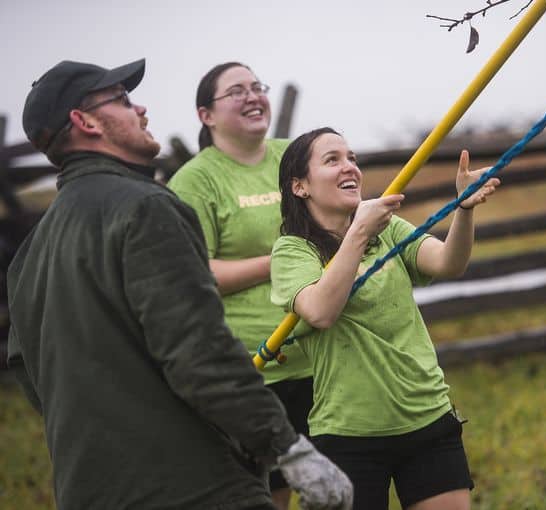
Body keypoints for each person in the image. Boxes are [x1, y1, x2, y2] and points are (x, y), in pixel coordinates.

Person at [6, 60, 352, 510]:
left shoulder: (31, 249)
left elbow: (26, 367)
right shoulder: (146, 209)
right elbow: (198, 348)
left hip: (88, 488)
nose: (142, 110)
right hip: (192, 486)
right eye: (124, 101)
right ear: (85, 121)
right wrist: (287, 447)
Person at [270, 127, 500, 510]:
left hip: (427, 416)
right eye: (332, 160)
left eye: (352, 158)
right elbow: (321, 311)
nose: (350, 168)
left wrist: (464, 209)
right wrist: (358, 230)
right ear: (299, 186)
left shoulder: (388, 230)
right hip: (348, 433)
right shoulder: (292, 251)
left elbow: (448, 262)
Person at [167, 62, 313, 510]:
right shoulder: (194, 181)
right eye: (237, 91)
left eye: (257, 87)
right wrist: (279, 262)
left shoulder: (295, 157)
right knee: (266, 492)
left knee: (336, 483)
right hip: (253, 367)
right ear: (205, 115)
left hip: (322, 357)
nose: (253, 96)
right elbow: (197, 274)